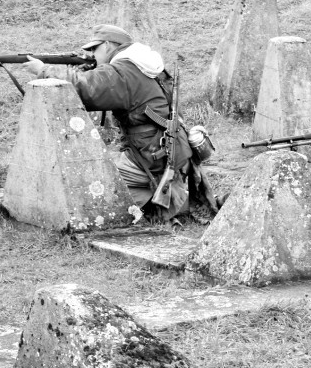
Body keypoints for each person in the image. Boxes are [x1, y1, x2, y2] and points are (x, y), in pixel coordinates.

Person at [23, 24, 210, 221]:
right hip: (166, 150)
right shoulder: (141, 64)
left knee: (93, 179)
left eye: (95, 49)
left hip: (152, 155)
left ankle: (162, 204)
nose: (92, 54)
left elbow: (85, 88)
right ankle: (165, 199)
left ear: (109, 45)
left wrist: (43, 70)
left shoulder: (122, 71)